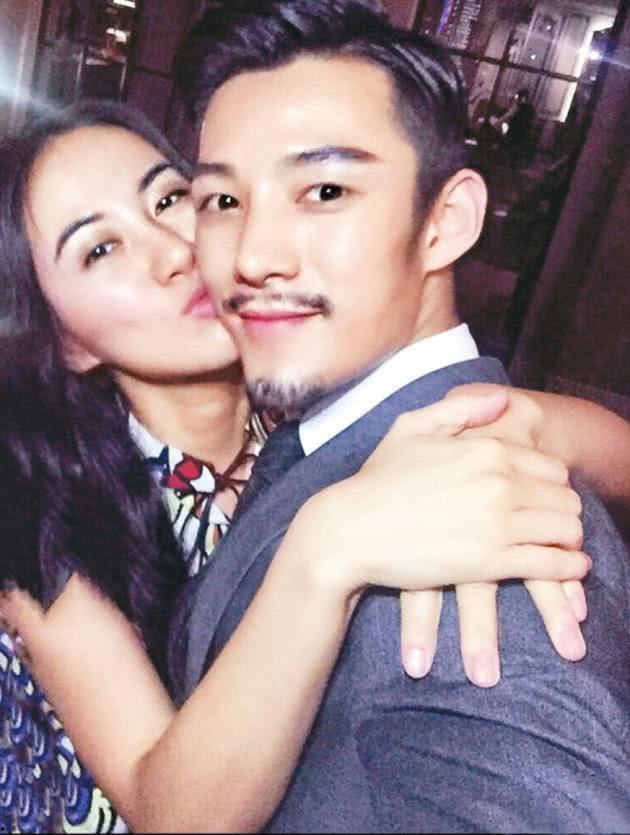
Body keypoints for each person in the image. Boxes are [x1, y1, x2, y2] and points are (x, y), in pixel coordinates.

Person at [0, 98, 615, 834]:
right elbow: (172, 814)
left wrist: (518, 420)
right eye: (101, 250)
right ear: (67, 342)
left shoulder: (307, 396)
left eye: (171, 200)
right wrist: (328, 548)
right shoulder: (37, 500)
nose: (173, 252)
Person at [162, 1, 630, 830]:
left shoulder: (477, 571)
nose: (254, 255)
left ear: (445, 222)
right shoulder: (332, 426)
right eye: (222, 200)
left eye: (325, 190)